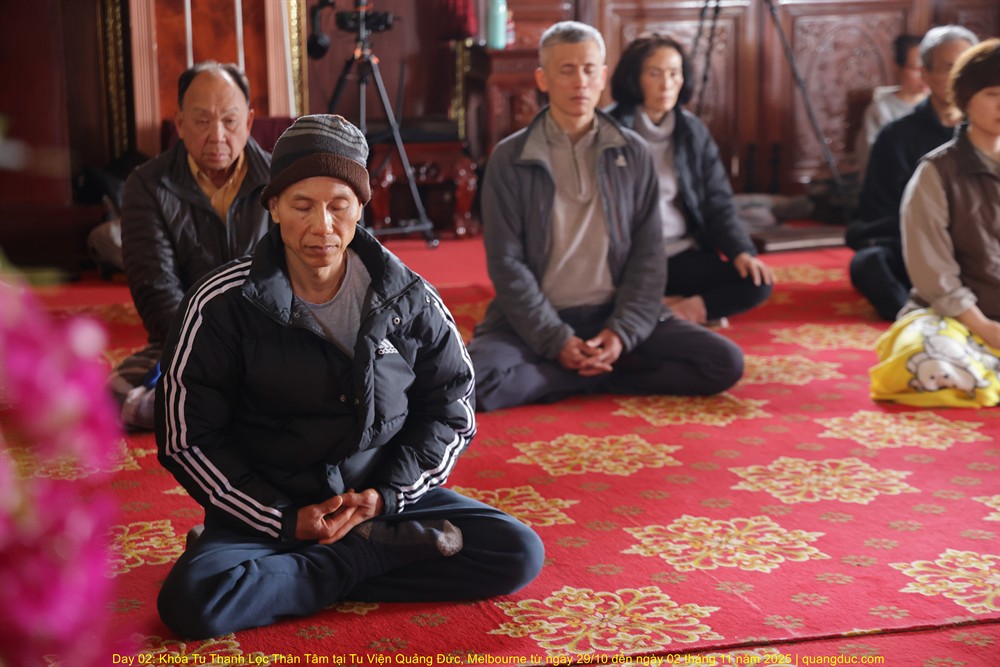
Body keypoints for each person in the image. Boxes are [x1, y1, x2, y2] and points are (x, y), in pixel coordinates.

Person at [154, 114, 544, 639]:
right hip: (270, 506)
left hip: (377, 499)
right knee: (193, 602)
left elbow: (452, 408)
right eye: (302, 205)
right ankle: (370, 557)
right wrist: (283, 520)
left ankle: (316, 568)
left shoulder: (409, 297)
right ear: (273, 206)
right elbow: (187, 439)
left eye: (339, 205)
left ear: (361, 207)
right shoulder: (220, 304)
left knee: (517, 552)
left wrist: (386, 497)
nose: (322, 226)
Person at [467, 21, 744, 412]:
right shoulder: (510, 158)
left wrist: (622, 332)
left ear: (603, 77)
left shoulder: (633, 152)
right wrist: (556, 340)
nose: (580, 81)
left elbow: (649, 257)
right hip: (538, 317)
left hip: (612, 312)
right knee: (466, 383)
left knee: (723, 363)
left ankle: (582, 371)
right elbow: (506, 264)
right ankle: (592, 373)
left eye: (589, 69)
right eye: (567, 70)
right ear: (543, 79)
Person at [108, 61, 273, 430]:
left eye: (230, 121)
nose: (217, 135)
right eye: (201, 121)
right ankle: (248, 404)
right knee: (114, 394)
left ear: (248, 122)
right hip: (185, 340)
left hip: (269, 339)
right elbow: (155, 289)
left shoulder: (280, 179)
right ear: (180, 124)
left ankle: (202, 408)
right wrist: (212, 352)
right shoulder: (147, 185)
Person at [606, 34, 774, 326]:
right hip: (626, 260)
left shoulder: (692, 131)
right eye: (654, 74)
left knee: (757, 282)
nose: (666, 84)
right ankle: (666, 310)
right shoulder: (608, 130)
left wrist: (741, 251)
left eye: (674, 73)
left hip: (678, 253)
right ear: (634, 78)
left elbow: (717, 201)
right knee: (588, 295)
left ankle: (669, 312)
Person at [870, 38, 1000, 408]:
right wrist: (986, 327)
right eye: (993, 94)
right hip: (957, 318)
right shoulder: (936, 172)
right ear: (965, 100)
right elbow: (935, 275)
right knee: (928, 356)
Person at [846, 26, 978, 321]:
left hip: (981, 254)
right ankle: (915, 318)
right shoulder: (895, 137)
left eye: (966, 68)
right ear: (925, 74)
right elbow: (876, 214)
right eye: (948, 68)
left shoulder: (989, 132)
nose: (958, 77)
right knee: (869, 263)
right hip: (917, 249)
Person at [853, 33, 928, 176]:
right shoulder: (881, 110)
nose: (925, 75)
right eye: (917, 69)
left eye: (929, 68)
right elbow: (873, 162)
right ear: (898, 67)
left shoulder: (941, 106)